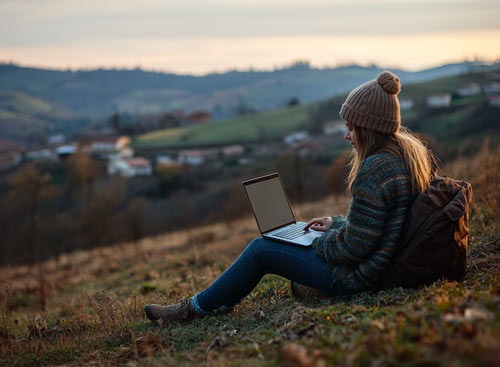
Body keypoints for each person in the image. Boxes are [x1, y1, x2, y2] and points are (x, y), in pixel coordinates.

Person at [144, 70, 436, 324]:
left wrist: (316, 243)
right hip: (380, 266)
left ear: (368, 129)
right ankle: (297, 288)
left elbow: (353, 248)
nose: (347, 136)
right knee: (289, 267)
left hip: (361, 277)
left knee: (261, 249)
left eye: (351, 128)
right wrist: (334, 223)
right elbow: (376, 226)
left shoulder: (374, 169)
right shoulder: (406, 156)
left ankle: (192, 310)